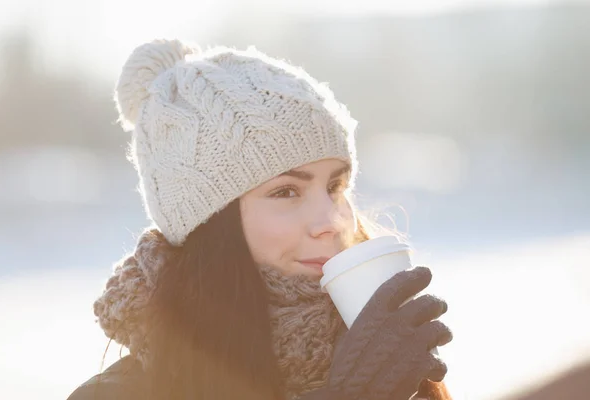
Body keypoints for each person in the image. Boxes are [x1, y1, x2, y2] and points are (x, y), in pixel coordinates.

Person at [67, 39, 453, 400]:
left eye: (335, 186)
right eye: (286, 191)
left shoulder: (392, 362)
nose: (331, 222)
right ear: (209, 223)